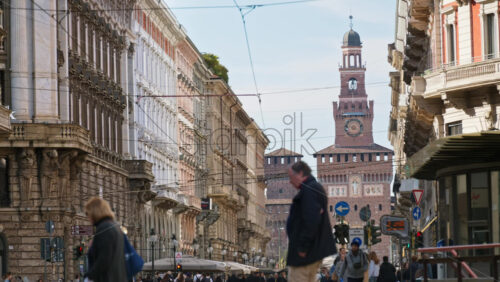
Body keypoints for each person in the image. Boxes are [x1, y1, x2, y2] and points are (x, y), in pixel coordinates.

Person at [286, 161, 336, 282]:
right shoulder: (313, 188)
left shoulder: (310, 189)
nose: (290, 181)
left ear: (301, 173)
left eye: (291, 176)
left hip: (305, 254)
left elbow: (311, 220)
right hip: (311, 252)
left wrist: (303, 247)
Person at [84, 197, 127, 282]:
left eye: (88, 214)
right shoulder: (115, 227)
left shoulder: (104, 228)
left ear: (94, 212)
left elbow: (104, 258)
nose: (88, 219)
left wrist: (90, 276)